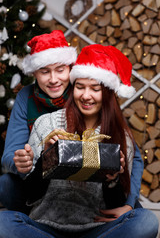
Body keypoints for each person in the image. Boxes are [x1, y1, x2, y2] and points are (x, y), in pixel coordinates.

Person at [0, 44, 158, 238]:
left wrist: (113, 180)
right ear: (73, 88)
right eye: (80, 87)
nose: (85, 95)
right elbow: (30, 196)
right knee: (3, 222)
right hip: (46, 226)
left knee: (146, 221)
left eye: (95, 89)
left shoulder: (119, 135)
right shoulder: (48, 124)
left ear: (107, 93)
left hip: (96, 229)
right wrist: (45, 160)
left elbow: (115, 205)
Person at [0, 30, 77, 212]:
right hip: (38, 185)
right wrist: (21, 163)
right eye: (44, 72)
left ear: (70, 68)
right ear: (34, 72)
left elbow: (130, 154)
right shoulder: (25, 97)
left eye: (60, 70)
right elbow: (8, 155)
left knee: (142, 221)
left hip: (80, 185)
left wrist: (128, 203)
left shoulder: (83, 92)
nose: (53, 80)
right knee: (5, 184)